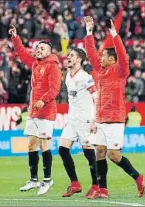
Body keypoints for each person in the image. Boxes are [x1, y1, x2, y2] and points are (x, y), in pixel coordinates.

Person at [84, 16, 145, 199]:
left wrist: (114, 34)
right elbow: (90, 54)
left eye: (104, 56)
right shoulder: (101, 71)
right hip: (101, 117)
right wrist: (89, 32)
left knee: (113, 155)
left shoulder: (120, 71)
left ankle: (138, 177)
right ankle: (102, 189)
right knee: (99, 152)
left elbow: (123, 55)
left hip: (115, 118)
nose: (100, 58)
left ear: (112, 59)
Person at [9, 25, 62, 195]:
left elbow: (55, 89)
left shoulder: (53, 65)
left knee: (44, 144)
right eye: (37, 48)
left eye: (42, 48)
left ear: (49, 51)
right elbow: (22, 53)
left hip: (46, 111)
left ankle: (47, 180)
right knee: (31, 145)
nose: (38, 50)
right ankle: (33, 180)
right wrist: (16, 38)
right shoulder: (35, 63)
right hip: (34, 111)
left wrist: (43, 100)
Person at [59, 48, 99, 198]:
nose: (68, 57)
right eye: (69, 55)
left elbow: (97, 97)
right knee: (63, 149)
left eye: (72, 56)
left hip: (85, 121)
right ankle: (75, 184)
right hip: (72, 120)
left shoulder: (85, 77)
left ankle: (96, 185)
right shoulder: (68, 76)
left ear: (79, 59)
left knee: (89, 153)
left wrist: (94, 120)